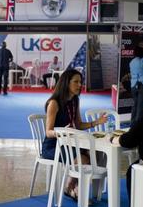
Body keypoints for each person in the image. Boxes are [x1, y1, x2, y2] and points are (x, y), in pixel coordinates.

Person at [42, 69, 107, 199]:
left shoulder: (75, 100)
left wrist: (96, 122)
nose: (79, 85)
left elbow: (78, 125)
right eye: (76, 82)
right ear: (66, 83)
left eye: (80, 82)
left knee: (95, 153)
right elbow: (48, 132)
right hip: (53, 146)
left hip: (70, 143)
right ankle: (73, 187)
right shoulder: (54, 103)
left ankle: (70, 186)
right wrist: (60, 133)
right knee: (84, 159)